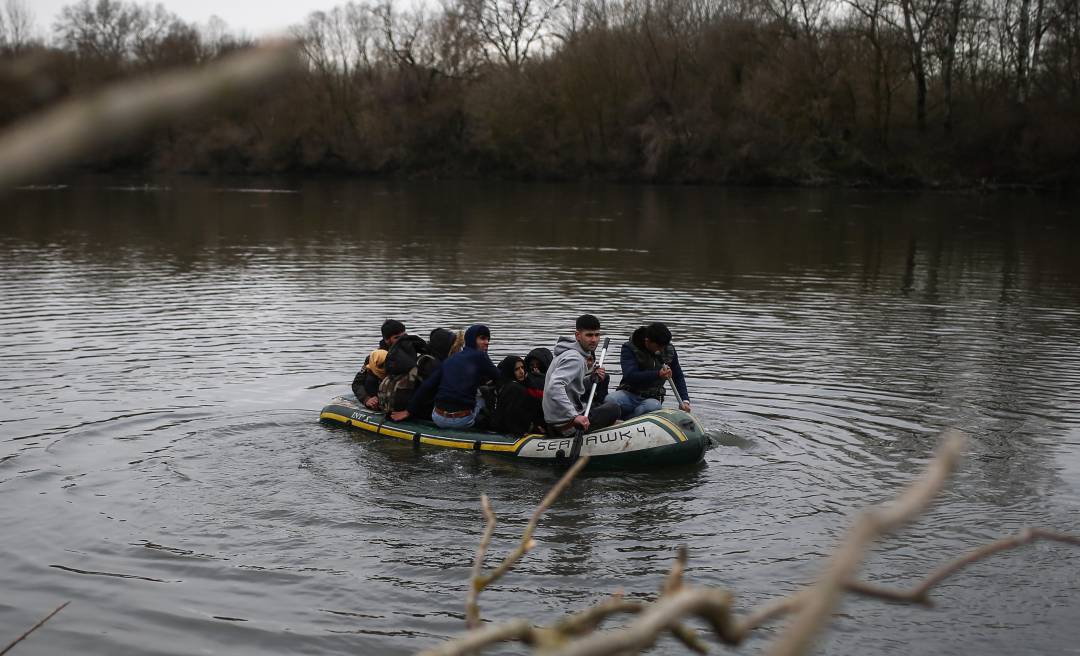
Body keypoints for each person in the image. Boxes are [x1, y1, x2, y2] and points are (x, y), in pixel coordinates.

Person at [402, 324, 500, 429]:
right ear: (472, 339)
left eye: (488, 339)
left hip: (437, 418)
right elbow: (499, 376)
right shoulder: (481, 356)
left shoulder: (449, 360)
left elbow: (427, 386)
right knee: (483, 395)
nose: (487, 342)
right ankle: (494, 425)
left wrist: (408, 411)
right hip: (462, 421)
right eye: (482, 338)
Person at [542, 314, 621, 436]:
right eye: (589, 335)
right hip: (565, 422)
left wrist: (591, 378)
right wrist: (574, 417)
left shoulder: (573, 354)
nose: (594, 340)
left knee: (603, 395)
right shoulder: (575, 358)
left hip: (559, 417)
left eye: (597, 335)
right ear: (578, 335)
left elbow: (572, 385)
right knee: (613, 408)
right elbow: (554, 386)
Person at [608, 322, 691, 419]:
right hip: (629, 394)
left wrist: (685, 400)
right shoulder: (630, 348)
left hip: (653, 398)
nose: (661, 350)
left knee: (652, 407)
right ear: (647, 341)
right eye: (658, 346)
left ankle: (626, 420)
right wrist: (657, 374)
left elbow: (678, 376)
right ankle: (621, 422)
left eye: (664, 346)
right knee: (610, 400)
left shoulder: (669, 350)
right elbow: (630, 375)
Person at [353, 319, 407, 410]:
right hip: (378, 399)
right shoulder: (375, 358)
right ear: (386, 340)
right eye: (397, 337)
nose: (403, 340)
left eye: (404, 336)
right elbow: (357, 383)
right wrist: (367, 399)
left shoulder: (412, 354)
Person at [490, 355, 543, 435]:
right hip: (514, 431)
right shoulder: (514, 388)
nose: (521, 372)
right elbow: (512, 415)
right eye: (516, 369)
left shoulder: (505, 384)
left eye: (522, 367)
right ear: (510, 371)